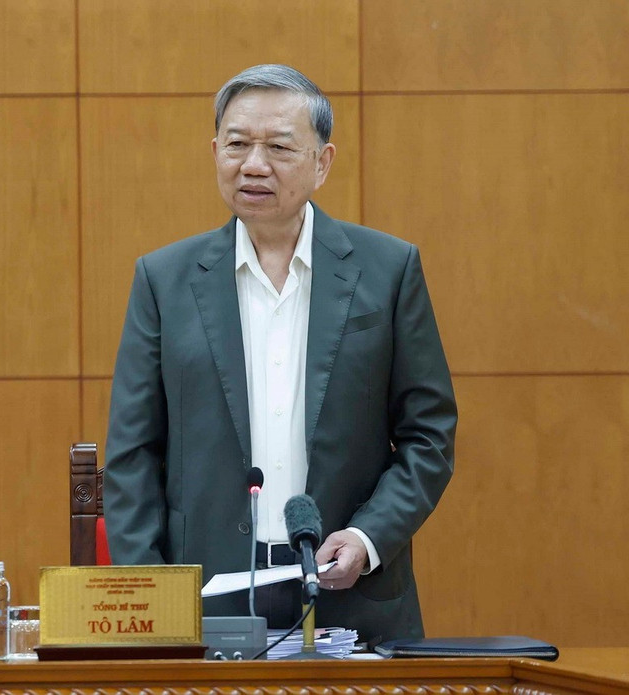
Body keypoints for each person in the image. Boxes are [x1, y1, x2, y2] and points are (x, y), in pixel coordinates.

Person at [104, 64, 456, 643]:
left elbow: (429, 435)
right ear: (215, 152)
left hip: (351, 595)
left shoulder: (389, 271)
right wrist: (152, 596)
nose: (253, 164)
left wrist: (368, 537)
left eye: (279, 147)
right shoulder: (163, 280)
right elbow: (132, 452)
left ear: (322, 162)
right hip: (203, 597)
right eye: (237, 144)